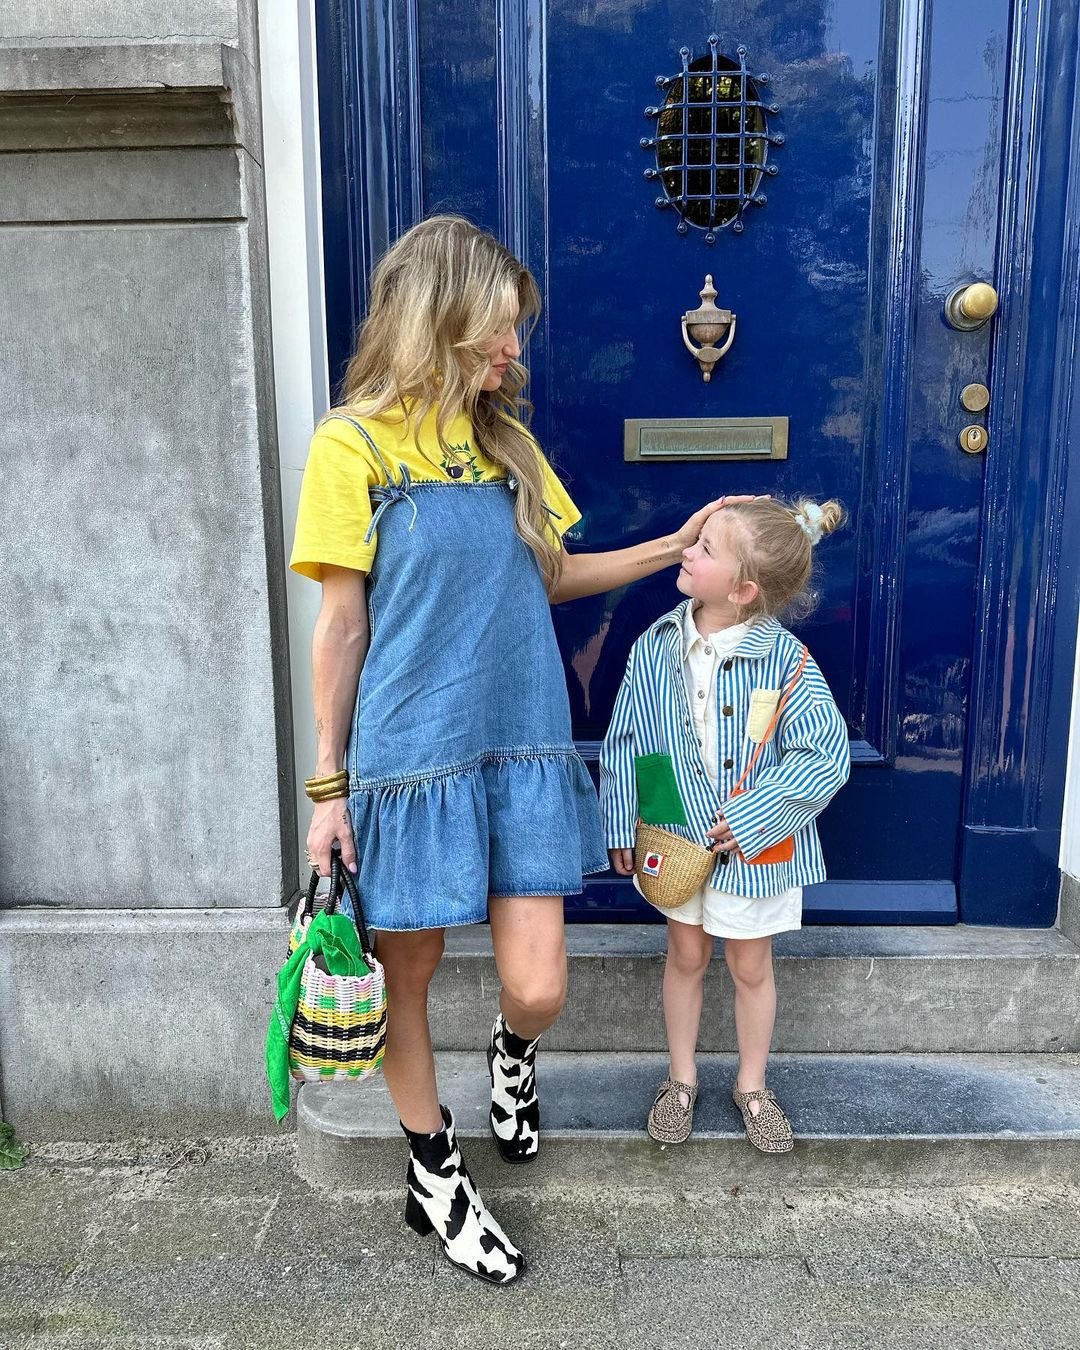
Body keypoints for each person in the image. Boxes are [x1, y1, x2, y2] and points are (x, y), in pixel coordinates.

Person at [290, 214, 750, 1284]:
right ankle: (434, 1175)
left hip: (522, 741)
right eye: (500, 329)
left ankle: (511, 1056)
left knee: (539, 984)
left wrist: (669, 547)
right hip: (410, 753)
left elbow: (550, 575)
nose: (514, 352)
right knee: (407, 977)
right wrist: (328, 787)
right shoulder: (350, 444)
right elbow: (343, 626)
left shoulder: (506, 444)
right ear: (439, 317)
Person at [600, 498, 850, 1153]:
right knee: (684, 955)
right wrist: (623, 819)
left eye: (706, 548)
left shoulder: (787, 663)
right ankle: (680, 1080)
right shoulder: (656, 648)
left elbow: (825, 751)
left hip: (754, 853)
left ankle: (752, 1084)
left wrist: (754, 817)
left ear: (743, 590)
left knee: (749, 965)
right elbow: (626, 737)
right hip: (675, 838)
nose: (688, 550)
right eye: (697, 541)